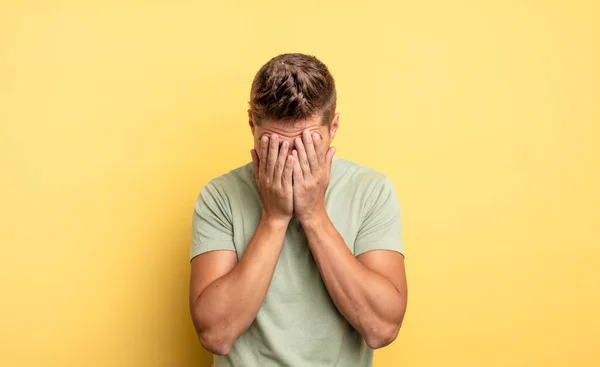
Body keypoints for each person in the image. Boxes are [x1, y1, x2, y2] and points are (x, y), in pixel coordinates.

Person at [188, 53, 407, 367]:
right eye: (274, 145)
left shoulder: (371, 191)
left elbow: (381, 329)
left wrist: (313, 214)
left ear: (333, 127)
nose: (290, 161)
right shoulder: (219, 196)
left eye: (306, 144)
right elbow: (216, 335)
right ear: (252, 124)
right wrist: (274, 217)